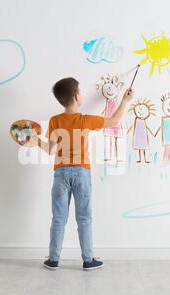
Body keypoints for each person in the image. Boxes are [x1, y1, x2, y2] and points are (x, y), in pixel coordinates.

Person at [37, 77, 134, 271]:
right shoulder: (86, 120)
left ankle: (53, 260)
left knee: (58, 218)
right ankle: (88, 260)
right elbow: (114, 120)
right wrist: (124, 101)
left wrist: (36, 141)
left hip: (60, 174)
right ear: (76, 97)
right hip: (82, 172)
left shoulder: (55, 121)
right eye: (80, 91)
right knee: (84, 218)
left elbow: (49, 149)